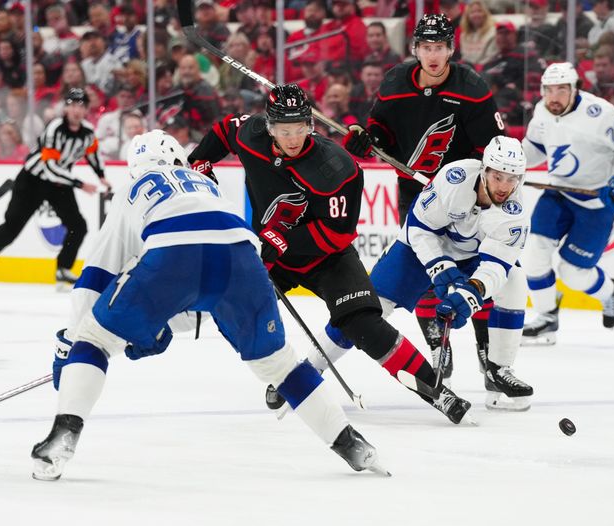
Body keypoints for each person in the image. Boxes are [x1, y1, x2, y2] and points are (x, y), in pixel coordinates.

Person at [30, 130, 385, 481]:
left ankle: (65, 433)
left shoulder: (134, 190)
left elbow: (96, 276)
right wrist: (164, 324)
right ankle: (351, 444)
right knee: (281, 365)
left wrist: (72, 344)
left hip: (174, 247)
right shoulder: (206, 185)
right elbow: (207, 302)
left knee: (94, 338)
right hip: (243, 255)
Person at [188, 84, 472, 425]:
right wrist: (200, 161)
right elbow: (224, 131)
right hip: (272, 255)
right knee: (239, 307)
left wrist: (279, 243)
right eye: (284, 130)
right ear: (269, 127)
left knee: (362, 323)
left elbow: (337, 233)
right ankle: (290, 377)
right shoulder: (252, 135)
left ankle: (437, 390)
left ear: (311, 124)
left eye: (300, 128)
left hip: (327, 257)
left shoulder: (337, 167)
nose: (293, 138)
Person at [311, 136, 535, 411]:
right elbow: (419, 227)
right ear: (484, 169)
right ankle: (310, 367)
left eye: (512, 179)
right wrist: (439, 266)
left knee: (515, 281)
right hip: (422, 247)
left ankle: (498, 369)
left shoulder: (516, 212)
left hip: (472, 258)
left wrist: (472, 291)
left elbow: (498, 265)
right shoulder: (455, 178)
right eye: (499, 177)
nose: (504, 187)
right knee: (367, 308)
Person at [343, 14, 505, 384]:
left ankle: (489, 358)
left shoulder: (472, 88)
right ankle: (437, 342)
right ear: (416, 48)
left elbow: (493, 150)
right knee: (425, 266)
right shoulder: (396, 82)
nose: (433, 56)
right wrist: (365, 140)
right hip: (416, 194)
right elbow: (379, 132)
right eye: (426, 48)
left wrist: (474, 184)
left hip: (467, 198)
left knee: (477, 270)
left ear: (451, 49)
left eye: (440, 48)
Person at [520, 63, 614, 345]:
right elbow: (536, 148)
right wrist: (511, 165)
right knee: (535, 255)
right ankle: (546, 318)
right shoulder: (542, 110)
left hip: (597, 201)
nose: (554, 97)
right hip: (558, 194)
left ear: (575, 89)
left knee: (573, 273)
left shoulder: (599, 114)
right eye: (549, 90)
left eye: (561, 90)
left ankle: (610, 292)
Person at [0, 89, 109, 286]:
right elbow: (50, 167)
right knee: (10, 229)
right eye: (72, 105)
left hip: (58, 184)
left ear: (86, 110)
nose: (76, 109)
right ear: (66, 108)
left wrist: (101, 176)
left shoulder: (88, 132)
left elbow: (92, 154)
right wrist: (79, 184)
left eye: (81, 105)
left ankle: (63, 269)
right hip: (32, 181)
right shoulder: (55, 128)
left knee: (78, 226)